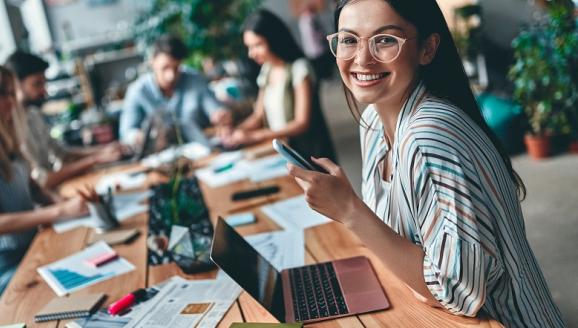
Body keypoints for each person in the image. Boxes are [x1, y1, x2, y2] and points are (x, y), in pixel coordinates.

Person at [287, 0, 565, 327]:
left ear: (428, 49)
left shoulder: (430, 134)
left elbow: (457, 292)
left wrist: (350, 210)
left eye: (385, 40)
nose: (361, 59)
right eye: (349, 40)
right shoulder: (374, 120)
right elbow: (398, 243)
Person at [0, 61, 89, 302]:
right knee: (75, 289)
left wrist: (63, 201)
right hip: (0, 269)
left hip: (29, 250)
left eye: (10, 91)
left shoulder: (8, 138)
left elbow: (34, 189)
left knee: (86, 264)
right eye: (2, 93)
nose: (13, 100)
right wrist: (61, 211)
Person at [222, 9, 336, 161]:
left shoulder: (299, 68)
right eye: (249, 47)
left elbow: (302, 122)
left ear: (273, 39)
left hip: (310, 155)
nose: (251, 53)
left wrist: (255, 136)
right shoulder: (267, 70)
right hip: (285, 153)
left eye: (257, 45)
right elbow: (258, 115)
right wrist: (235, 132)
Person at [4, 51, 123, 189]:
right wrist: (95, 159)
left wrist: (104, 150)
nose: (44, 91)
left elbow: (62, 153)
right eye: (36, 84)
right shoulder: (11, 127)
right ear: (14, 85)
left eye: (44, 83)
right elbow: (42, 181)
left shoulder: (34, 114)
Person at [119, 35, 232, 148]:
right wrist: (138, 137)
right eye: (165, 68)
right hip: (159, 156)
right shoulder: (137, 91)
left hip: (201, 150)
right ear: (152, 62)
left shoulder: (195, 79)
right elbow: (126, 132)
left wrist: (220, 115)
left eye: (176, 68)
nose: (171, 76)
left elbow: (214, 108)